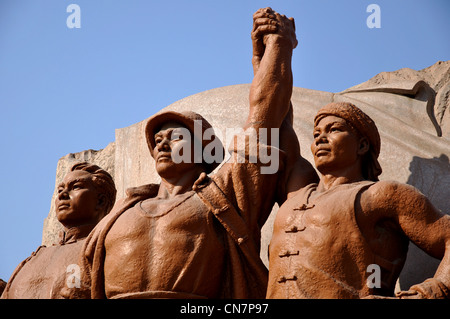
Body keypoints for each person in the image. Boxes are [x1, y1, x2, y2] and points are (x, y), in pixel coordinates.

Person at [62, 8, 317, 299]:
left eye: (175, 136)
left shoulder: (225, 196)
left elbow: (265, 120)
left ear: (205, 148)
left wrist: (277, 46)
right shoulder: (119, 213)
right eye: (157, 139)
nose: (162, 144)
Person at [267, 101, 450, 299]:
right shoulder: (296, 194)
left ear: (362, 145)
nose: (320, 138)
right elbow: (275, 112)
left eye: (334, 129)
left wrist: (428, 294)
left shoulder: (382, 194)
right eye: (316, 134)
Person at [1, 162, 116, 299]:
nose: (62, 195)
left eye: (76, 187)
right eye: (60, 190)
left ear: (101, 201)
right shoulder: (27, 263)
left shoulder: (108, 251)